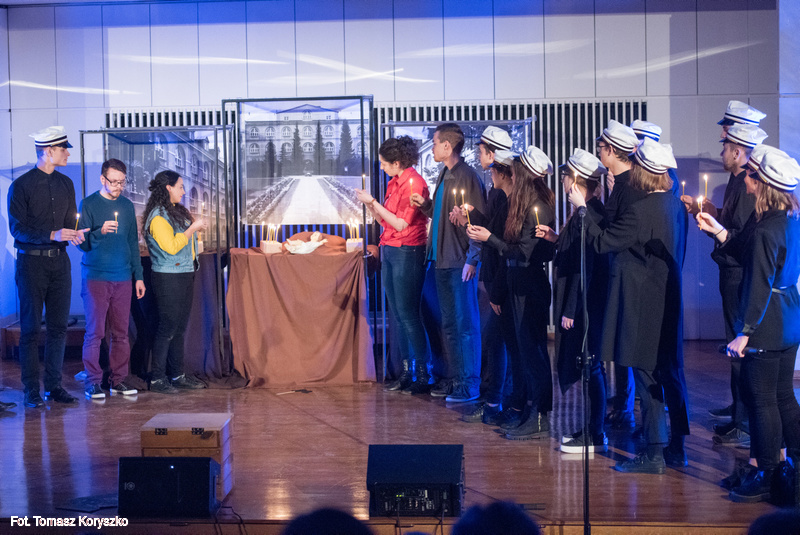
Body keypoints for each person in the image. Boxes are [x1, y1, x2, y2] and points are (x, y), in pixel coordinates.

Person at [569, 138, 687, 473]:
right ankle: (676, 447)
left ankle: (654, 454)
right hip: (668, 301)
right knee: (669, 374)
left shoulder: (641, 211)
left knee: (646, 376)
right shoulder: (676, 206)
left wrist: (582, 208)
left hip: (643, 304)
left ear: (644, 172)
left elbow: (602, 242)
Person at [697, 152, 800, 503]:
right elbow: (748, 251)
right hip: (788, 317)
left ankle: (767, 474)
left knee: (762, 400)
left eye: (753, 176)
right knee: (783, 396)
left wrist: (745, 332)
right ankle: (790, 467)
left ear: (764, 185)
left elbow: (758, 283)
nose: (747, 180)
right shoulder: (786, 219)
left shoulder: (766, 229)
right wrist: (719, 230)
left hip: (767, 323)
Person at [467, 146, 556, 440]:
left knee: (534, 354)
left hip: (530, 285)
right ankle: (526, 410)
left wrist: (490, 238)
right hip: (517, 281)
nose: (511, 175)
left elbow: (524, 253)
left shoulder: (538, 206)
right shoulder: (521, 203)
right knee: (523, 352)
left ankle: (540, 417)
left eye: (516, 171)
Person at [691, 122, 769, 448]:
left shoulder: (745, 184)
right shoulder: (738, 182)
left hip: (737, 273)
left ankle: (743, 422)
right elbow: (735, 223)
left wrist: (717, 226)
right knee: (733, 348)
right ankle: (739, 412)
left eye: (725, 146)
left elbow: (742, 236)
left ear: (738, 152)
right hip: (732, 271)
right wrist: (714, 214)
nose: (721, 150)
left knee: (739, 349)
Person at [7, 126, 88, 408]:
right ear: (48, 151)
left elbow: (69, 223)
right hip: (31, 263)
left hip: (60, 263)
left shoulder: (66, 184)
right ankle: (31, 390)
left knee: (58, 328)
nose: (67, 153)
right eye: (63, 149)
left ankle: (54, 386)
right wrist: (52, 234)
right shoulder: (21, 186)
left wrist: (74, 234)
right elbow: (17, 229)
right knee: (30, 329)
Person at [536, 149, 610, 453]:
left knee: (592, 366)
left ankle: (595, 433)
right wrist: (556, 238)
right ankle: (592, 429)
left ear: (576, 180)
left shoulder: (588, 214)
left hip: (586, 305)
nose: (563, 181)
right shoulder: (584, 212)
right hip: (583, 303)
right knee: (589, 366)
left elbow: (585, 265)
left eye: (566, 176)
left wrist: (570, 310)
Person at [410, 123, 486, 403]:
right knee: (451, 325)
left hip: (459, 261)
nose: (432, 148)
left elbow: (478, 221)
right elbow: (445, 215)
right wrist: (425, 205)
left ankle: (470, 385)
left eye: (435, 143)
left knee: (465, 325)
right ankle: (456, 379)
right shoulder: (446, 173)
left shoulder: (467, 176)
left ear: (447, 146)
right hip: (441, 259)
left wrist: (472, 259)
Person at [355, 136, 432, 395]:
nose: (382, 167)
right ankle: (408, 371)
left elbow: (401, 224)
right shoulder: (394, 182)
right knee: (398, 314)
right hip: (389, 247)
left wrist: (373, 203)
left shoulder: (414, 183)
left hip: (408, 250)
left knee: (409, 314)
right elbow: (386, 222)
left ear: (397, 162)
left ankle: (423, 372)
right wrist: (371, 205)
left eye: (384, 163)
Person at [454, 148, 517, 424]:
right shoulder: (497, 195)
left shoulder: (509, 200)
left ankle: (499, 401)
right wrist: (474, 217)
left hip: (503, 277)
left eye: (493, 169)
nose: (489, 172)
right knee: (496, 340)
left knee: (499, 341)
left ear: (503, 173)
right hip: (496, 275)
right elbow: (492, 230)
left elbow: (502, 242)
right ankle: (497, 401)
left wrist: (483, 235)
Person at [78, 159, 145, 399]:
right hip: (96, 277)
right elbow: (82, 244)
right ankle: (93, 382)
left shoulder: (126, 206)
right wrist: (99, 232)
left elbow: (132, 243)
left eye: (122, 182)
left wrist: (138, 276)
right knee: (95, 333)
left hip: (123, 277)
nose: (118, 187)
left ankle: (118, 380)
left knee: (121, 333)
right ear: (102, 179)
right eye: (114, 182)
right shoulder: (88, 204)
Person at [595, 120, 642, 429]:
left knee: (629, 348)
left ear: (611, 150)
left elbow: (611, 235)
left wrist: (585, 208)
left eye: (600, 148)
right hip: (621, 276)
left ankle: (627, 407)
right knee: (622, 347)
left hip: (629, 278)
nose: (599, 152)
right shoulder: (621, 185)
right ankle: (624, 402)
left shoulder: (628, 187)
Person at [142, 170, 207, 394]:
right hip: (168, 276)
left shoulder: (176, 211)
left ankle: (177, 375)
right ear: (168, 188)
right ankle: (158, 378)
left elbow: (185, 243)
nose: (184, 191)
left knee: (179, 328)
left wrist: (195, 234)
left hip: (184, 272)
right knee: (167, 327)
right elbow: (171, 247)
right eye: (180, 186)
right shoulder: (158, 216)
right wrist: (192, 229)